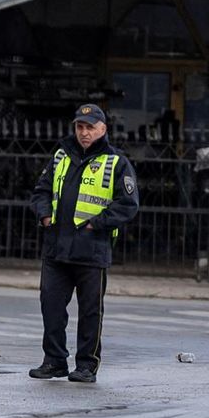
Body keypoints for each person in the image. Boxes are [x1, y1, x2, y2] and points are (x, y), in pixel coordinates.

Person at [29, 103, 139, 383]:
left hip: (92, 249)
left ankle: (87, 364)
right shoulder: (60, 155)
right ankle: (54, 361)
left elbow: (128, 205)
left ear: (103, 129)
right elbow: (41, 191)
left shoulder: (116, 162)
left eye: (90, 127)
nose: (84, 132)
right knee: (51, 306)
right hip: (57, 247)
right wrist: (44, 216)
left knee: (91, 312)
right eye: (80, 126)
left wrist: (96, 223)